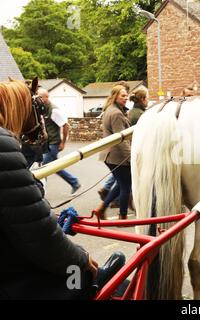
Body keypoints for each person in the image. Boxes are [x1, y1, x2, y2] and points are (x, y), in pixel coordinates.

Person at [0, 80, 125, 299]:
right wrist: (81, 259)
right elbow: (40, 235)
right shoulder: (4, 146)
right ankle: (91, 282)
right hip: (13, 280)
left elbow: (15, 208)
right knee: (84, 275)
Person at [94, 85, 132, 220]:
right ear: (115, 96)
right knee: (126, 186)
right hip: (117, 156)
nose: (126, 98)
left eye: (127, 95)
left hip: (110, 155)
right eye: (123, 95)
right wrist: (131, 157)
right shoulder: (116, 113)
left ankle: (101, 208)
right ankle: (123, 216)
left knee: (121, 184)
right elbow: (120, 138)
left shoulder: (111, 110)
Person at [38, 88, 81, 195]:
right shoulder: (42, 108)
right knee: (54, 166)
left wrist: (63, 142)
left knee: (45, 166)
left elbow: (65, 125)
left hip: (53, 143)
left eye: (40, 97)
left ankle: (40, 191)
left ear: (46, 97)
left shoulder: (54, 110)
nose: (37, 99)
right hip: (47, 143)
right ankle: (74, 182)